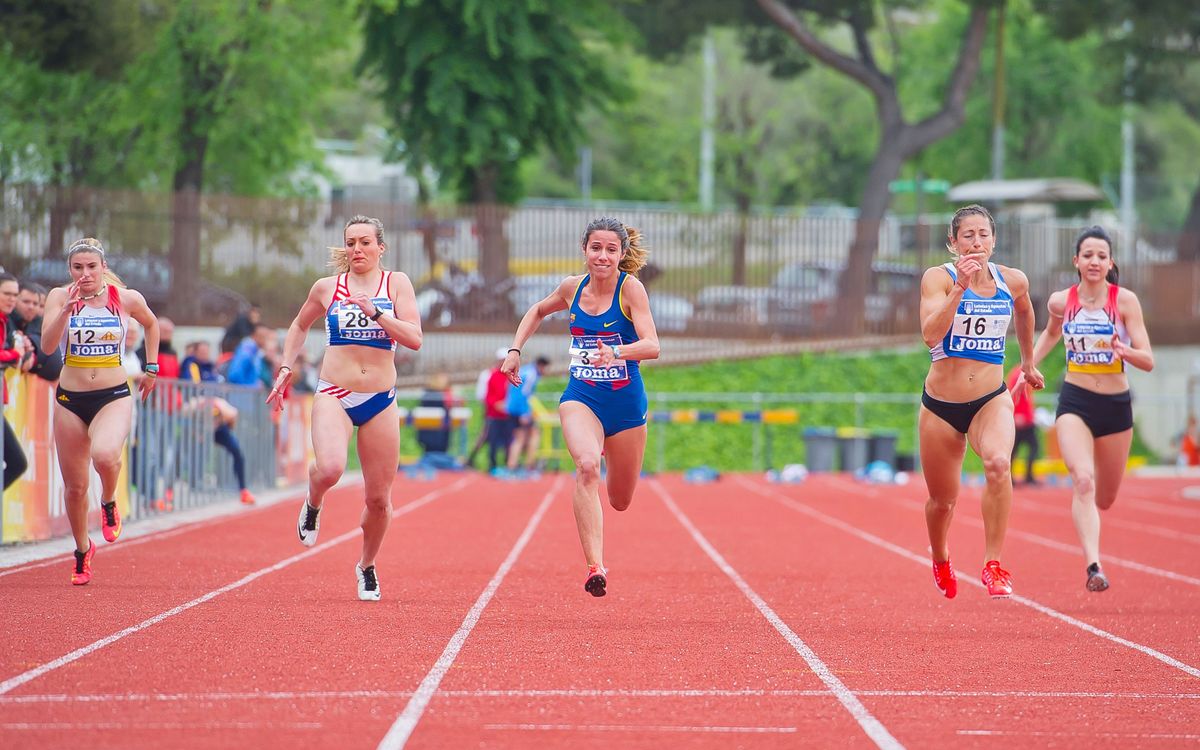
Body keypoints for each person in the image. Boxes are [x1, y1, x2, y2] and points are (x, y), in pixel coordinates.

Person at [502, 217, 660, 597]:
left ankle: (609, 465)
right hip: (582, 396)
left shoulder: (631, 290)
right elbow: (537, 311)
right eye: (595, 248)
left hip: (625, 404)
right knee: (587, 466)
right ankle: (595, 567)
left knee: (620, 500)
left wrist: (617, 351)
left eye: (610, 249)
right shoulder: (571, 288)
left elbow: (652, 345)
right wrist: (514, 351)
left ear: (621, 254)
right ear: (584, 250)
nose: (602, 256)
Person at [267, 215, 421, 601]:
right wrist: (287, 365)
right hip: (335, 392)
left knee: (379, 500)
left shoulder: (396, 283)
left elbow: (415, 338)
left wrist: (377, 313)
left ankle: (366, 566)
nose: (357, 250)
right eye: (351, 243)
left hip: (380, 399)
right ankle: (313, 500)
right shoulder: (327, 288)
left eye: (365, 243)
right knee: (332, 467)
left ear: (380, 247)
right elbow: (299, 325)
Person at [918, 205, 1044, 600]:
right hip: (941, 406)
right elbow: (930, 335)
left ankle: (993, 564)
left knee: (998, 463)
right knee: (943, 501)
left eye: (983, 235)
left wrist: (1027, 362)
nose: (976, 242)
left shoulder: (1013, 281)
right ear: (953, 242)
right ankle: (940, 557)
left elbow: (1025, 311)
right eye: (967, 235)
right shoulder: (938, 278)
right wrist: (960, 288)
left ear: (994, 240)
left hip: (991, 399)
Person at [1020, 225, 1154, 592]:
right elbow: (1050, 332)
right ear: (1076, 261)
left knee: (1105, 498)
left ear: (1111, 262)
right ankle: (1094, 566)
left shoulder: (1124, 301)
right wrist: (1027, 365)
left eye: (1101, 255)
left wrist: (1124, 351)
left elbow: (1148, 359)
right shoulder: (1061, 301)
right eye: (1088, 255)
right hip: (1076, 399)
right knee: (1082, 479)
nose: (1094, 261)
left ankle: (1093, 525)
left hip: (1115, 405)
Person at [40, 238, 160, 585]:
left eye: (91, 267)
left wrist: (151, 369)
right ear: (70, 270)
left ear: (103, 268)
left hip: (113, 395)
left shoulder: (125, 298)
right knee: (75, 487)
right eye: (78, 267)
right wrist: (65, 312)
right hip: (70, 400)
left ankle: (108, 501)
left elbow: (151, 324)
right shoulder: (60, 297)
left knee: (106, 455)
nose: (85, 274)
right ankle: (82, 551)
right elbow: (48, 346)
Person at [181, 340, 255, 505]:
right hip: (196, 421)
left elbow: (221, 391)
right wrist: (212, 401)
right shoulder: (191, 366)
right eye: (202, 351)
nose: (205, 354)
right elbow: (193, 390)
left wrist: (219, 411)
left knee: (236, 450)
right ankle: (182, 489)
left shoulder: (212, 369)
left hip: (217, 420)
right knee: (193, 454)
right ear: (195, 352)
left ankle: (243, 489)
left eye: (207, 351)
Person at [1, 272, 32, 489]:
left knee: (17, 462)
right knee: (17, 462)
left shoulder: (6, 322)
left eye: (15, 294)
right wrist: (15, 353)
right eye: (6, 294)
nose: (12, 299)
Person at [506, 355, 551, 476]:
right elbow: (524, 394)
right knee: (532, 435)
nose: (545, 372)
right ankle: (527, 466)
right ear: (541, 366)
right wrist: (524, 413)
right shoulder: (531, 374)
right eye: (545, 369)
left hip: (512, 407)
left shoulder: (525, 370)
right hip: (519, 409)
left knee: (519, 438)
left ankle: (513, 465)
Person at [12, 281, 64, 382]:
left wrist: (32, 351)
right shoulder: (8, 322)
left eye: (35, 303)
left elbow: (55, 364)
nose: (31, 307)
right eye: (26, 302)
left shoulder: (37, 322)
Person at [1007, 365, 1039, 485]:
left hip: (1026, 418)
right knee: (1030, 448)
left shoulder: (1018, 372)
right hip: (1022, 419)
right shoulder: (1020, 374)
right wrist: (1018, 414)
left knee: (1017, 449)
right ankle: (1023, 477)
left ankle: (1017, 478)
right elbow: (1017, 394)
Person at [483, 347, 512, 474]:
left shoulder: (511, 376)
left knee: (508, 442)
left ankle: (507, 464)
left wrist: (509, 405)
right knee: (493, 442)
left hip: (508, 415)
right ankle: (492, 465)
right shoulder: (493, 376)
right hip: (494, 415)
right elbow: (488, 397)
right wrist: (496, 404)